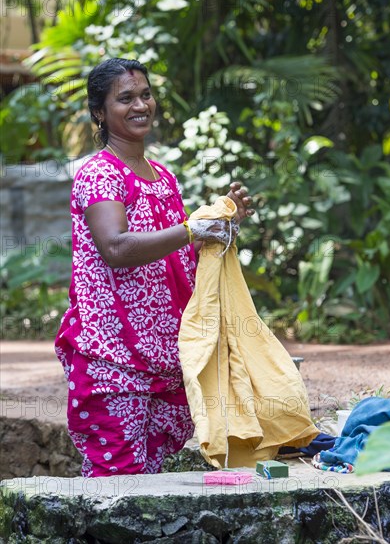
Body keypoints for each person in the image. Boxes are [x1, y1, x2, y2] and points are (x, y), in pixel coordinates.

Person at [55, 58, 254, 477]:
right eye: (125, 98)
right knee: (118, 484)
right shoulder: (99, 173)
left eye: (145, 94)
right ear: (99, 112)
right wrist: (190, 228)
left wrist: (223, 224)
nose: (140, 104)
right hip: (113, 355)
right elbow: (116, 247)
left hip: (166, 357)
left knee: (150, 481)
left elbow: (180, 251)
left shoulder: (162, 176)